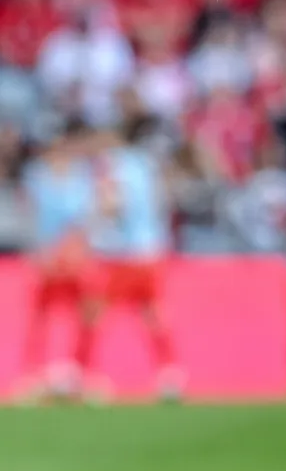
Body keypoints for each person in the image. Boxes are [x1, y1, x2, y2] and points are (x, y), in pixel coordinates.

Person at [85, 118, 183, 402]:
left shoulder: (112, 165)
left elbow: (114, 204)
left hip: (122, 254)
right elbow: (160, 200)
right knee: (153, 313)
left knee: (96, 311)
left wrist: (93, 225)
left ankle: (87, 374)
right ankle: (170, 374)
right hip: (150, 250)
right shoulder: (144, 164)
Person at [17, 119, 96, 403]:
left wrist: (77, 248)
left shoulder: (81, 176)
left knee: (85, 313)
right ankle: (34, 374)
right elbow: (30, 217)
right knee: (42, 315)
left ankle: (79, 371)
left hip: (74, 256)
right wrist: (40, 251)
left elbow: (87, 217)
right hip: (48, 256)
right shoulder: (36, 176)